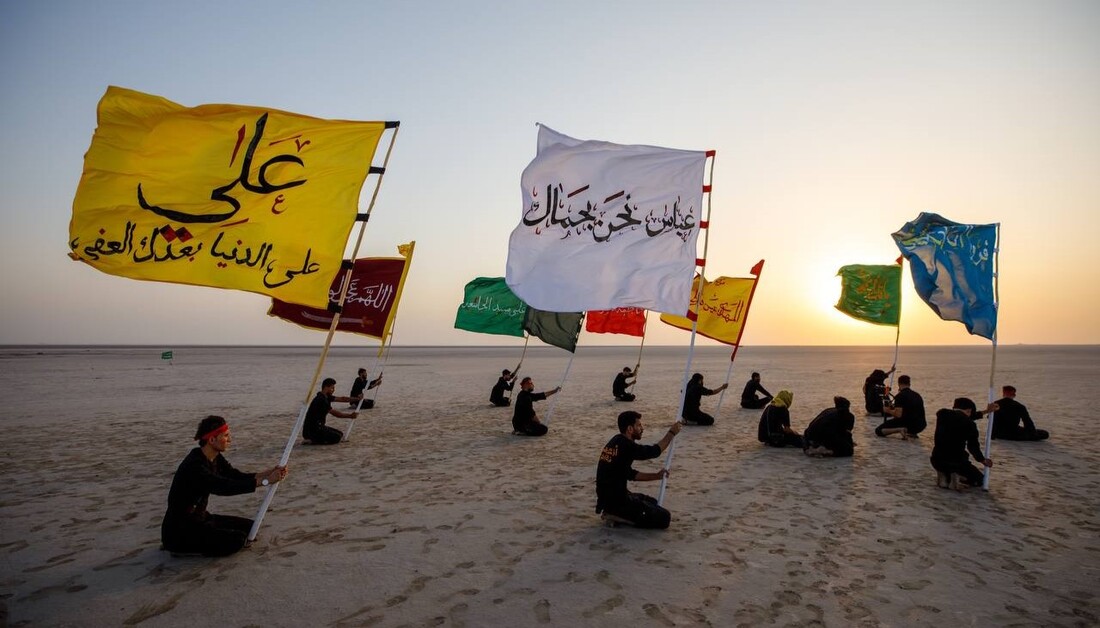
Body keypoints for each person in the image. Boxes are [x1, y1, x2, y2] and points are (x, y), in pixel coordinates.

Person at [161, 415, 288, 557]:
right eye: (226, 436)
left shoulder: (214, 456)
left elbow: (234, 475)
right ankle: (182, 550)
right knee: (237, 541)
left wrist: (268, 473)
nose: (230, 440)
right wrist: (266, 481)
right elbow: (224, 486)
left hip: (201, 518)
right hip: (182, 529)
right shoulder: (195, 465)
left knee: (251, 527)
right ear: (212, 439)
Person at [595, 411, 682, 529]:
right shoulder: (626, 445)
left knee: (652, 502)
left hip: (609, 498)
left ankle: (613, 512)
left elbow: (630, 474)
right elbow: (654, 451)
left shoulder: (617, 441)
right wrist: (671, 433)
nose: (642, 428)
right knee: (664, 518)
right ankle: (617, 516)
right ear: (630, 429)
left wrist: (657, 476)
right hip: (616, 501)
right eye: (639, 425)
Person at [931, 397, 997, 490]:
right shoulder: (970, 424)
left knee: (945, 462)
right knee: (979, 480)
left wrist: (986, 411)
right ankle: (954, 477)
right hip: (956, 462)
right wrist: (982, 460)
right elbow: (973, 447)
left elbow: (961, 417)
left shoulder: (942, 414)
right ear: (969, 410)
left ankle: (944, 476)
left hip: (936, 459)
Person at [303, 378, 359, 445]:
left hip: (319, 427)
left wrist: (357, 399)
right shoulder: (321, 399)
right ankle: (312, 440)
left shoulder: (326, 396)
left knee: (340, 434)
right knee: (336, 438)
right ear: (326, 387)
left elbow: (342, 399)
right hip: (312, 430)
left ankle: (314, 439)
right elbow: (336, 414)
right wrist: (350, 416)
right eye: (332, 388)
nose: (333, 390)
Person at [875, 375, 926, 439]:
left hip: (908, 425)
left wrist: (887, 410)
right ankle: (911, 433)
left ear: (899, 384)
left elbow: (898, 415)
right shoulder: (917, 395)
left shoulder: (900, 396)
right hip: (920, 426)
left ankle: (899, 430)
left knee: (878, 431)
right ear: (909, 384)